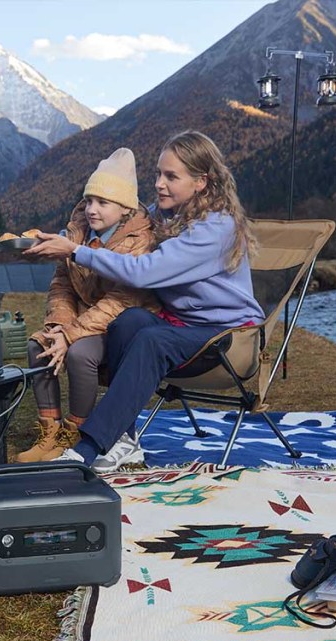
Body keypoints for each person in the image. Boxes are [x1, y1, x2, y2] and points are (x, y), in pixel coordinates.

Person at [25, 130, 264, 473]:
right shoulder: (166, 217)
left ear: (201, 182)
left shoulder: (215, 229)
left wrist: (75, 252)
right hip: (182, 326)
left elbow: (143, 272)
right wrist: (60, 239)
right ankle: (125, 438)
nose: (160, 184)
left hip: (227, 336)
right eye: (157, 174)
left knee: (152, 338)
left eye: (171, 176)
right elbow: (118, 220)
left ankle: (88, 447)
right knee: (131, 320)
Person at [17, 148, 157, 463]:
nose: (92, 209)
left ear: (124, 208)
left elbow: (122, 299)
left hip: (120, 325)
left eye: (102, 203)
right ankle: (50, 431)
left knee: (81, 354)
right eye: (89, 200)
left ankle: (76, 433)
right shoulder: (77, 230)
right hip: (80, 320)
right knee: (37, 346)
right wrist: (57, 328)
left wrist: (72, 336)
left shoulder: (140, 241)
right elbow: (62, 284)